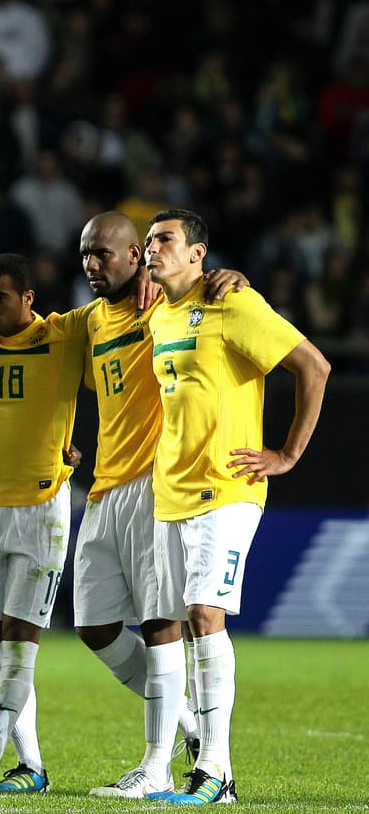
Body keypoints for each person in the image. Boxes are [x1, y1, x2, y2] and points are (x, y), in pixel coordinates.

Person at [142, 209, 329, 804]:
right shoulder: (159, 313)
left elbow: (314, 366)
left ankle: (216, 773)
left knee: (205, 615)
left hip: (226, 487)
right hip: (170, 492)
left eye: (165, 239)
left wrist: (287, 454)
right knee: (179, 626)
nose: (152, 248)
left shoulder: (234, 302)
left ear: (198, 253)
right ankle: (190, 768)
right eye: (148, 241)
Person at [73, 212, 245, 798]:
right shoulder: (88, 321)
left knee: (160, 625)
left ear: (134, 256)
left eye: (102, 253)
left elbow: (204, 296)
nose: (91, 264)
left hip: (154, 480)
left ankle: (155, 767)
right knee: (94, 626)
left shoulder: (163, 306)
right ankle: (191, 725)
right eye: (84, 254)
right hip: (103, 487)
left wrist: (231, 275)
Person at [0, 253, 95, 795]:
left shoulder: (64, 337)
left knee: (20, 640)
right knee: (0, 646)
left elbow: (120, 307)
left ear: (28, 298)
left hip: (43, 507)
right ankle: (31, 767)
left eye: (0, 298)